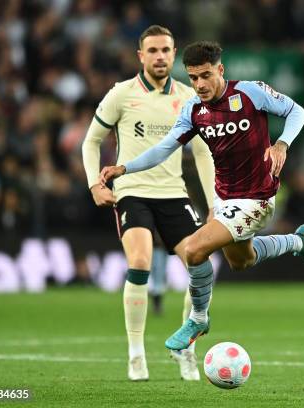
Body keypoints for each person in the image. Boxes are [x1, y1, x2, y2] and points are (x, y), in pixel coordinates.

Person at [99, 41, 304, 351]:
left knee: (195, 250)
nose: (199, 84)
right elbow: (164, 149)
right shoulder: (193, 109)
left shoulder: (250, 92)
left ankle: (198, 318)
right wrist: (125, 167)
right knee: (243, 260)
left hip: (258, 197)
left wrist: (282, 143)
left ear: (220, 70)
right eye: (193, 77)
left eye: (205, 75)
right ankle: (299, 241)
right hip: (224, 198)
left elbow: (297, 111)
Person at [81, 26, 216, 382]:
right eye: (152, 50)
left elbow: (202, 152)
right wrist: (95, 183)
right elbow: (91, 141)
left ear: (174, 55)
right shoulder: (122, 94)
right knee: (139, 261)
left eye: (166, 50)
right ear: (140, 56)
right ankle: (136, 353)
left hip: (174, 193)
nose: (159, 57)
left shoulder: (190, 96)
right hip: (132, 190)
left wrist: (214, 202)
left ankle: (187, 348)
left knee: (200, 264)